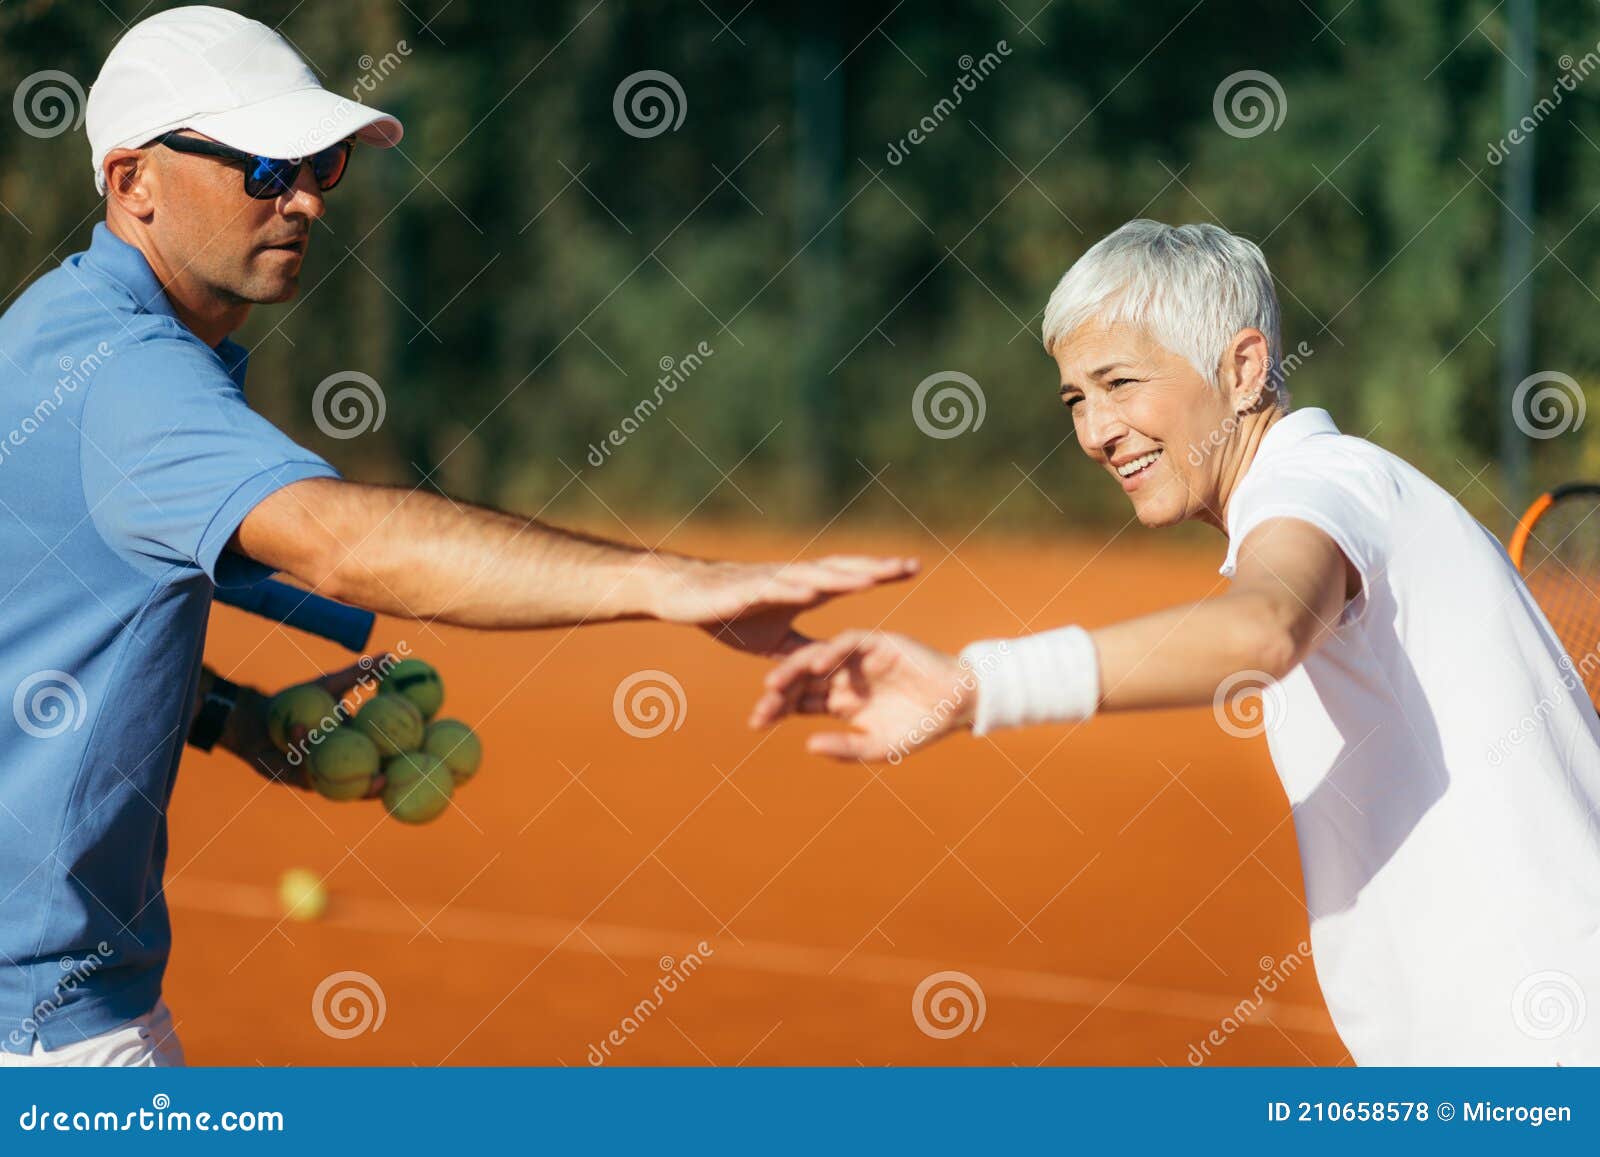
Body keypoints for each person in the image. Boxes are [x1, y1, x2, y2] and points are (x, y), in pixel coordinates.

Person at [0, 6, 915, 1067]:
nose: (302, 198)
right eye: (261, 168)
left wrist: (227, 714)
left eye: (321, 164)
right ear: (131, 182)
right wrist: (670, 582)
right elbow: (338, 542)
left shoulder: (43, 338)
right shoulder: (128, 374)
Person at [753, 219, 1600, 1066]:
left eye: (1120, 382)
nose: (1095, 431)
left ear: (1242, 368)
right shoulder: (1347, 484)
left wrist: (983, 684)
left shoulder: (1323, 482)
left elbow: (1261, 629)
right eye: (1077, 398)